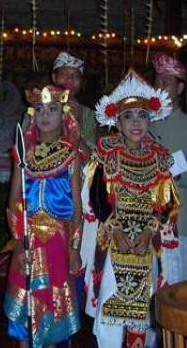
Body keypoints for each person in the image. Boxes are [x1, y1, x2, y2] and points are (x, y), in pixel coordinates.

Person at [83, 69, 180, 348]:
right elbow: (98, 198)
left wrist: (149, 232)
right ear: (117, 121)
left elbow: (167, 201)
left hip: (145, 245)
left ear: (151, 119)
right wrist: (115, 232)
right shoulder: (106, 154)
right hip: (116, 243)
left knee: (142, 313)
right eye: (128, 116)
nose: (136, 122)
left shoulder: (160, 157)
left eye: (142, 115)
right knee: (110, 311)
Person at [4, 85, 82, 348]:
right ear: (32, 114)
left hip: (58, 240)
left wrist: (75, 247)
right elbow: (14, 200)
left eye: (52, 109)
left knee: (53, 301)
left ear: (64, 114)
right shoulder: (23, 153)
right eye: (39, 109)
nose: (45, 115)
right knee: (26, 298)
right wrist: (17, 241)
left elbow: (77, 206)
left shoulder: (71, 155)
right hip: (28, 236)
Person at [151, 53, 187, 282]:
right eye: (157, 81)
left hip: (178, 222)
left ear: (180, 88)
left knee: (173, 292)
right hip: (144, 223)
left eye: (166, 82)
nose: (160, 87)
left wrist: (167, 170)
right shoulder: (141, 122)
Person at [52, 52, 96, 159]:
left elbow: (91, 159)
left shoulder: (88, 114)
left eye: (76, 76)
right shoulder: (38, 109)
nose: (70, 79)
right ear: (54, 77)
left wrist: (75, 128)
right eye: (64, 74)